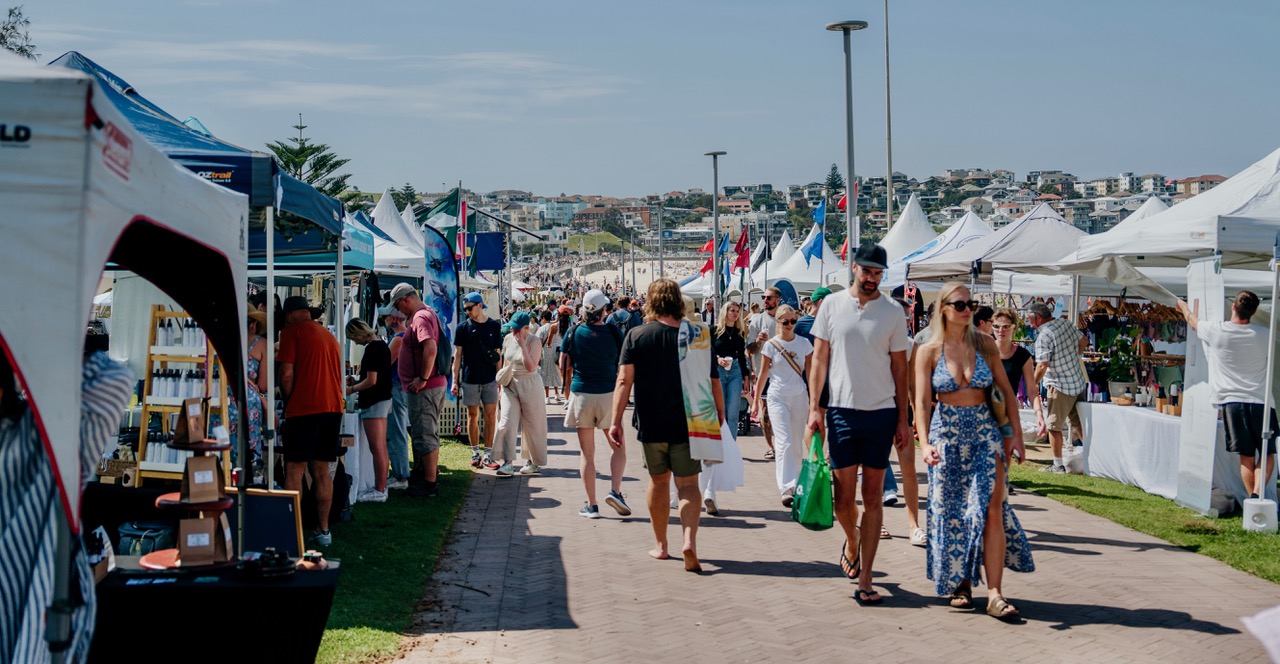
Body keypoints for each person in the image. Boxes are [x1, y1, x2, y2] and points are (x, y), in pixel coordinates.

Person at [914, 282, 1033, 620]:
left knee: (990, 507)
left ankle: (995, 593)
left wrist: (1016, 437)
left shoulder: (984, 345)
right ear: (944, 309)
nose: (967, 310)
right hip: (946, 434)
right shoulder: (928, 350)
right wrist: (925, 443)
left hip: (984, 432)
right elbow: (922, 402)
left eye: (971, 303)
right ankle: (961, 583)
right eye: (960, 304)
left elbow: (1007, 391)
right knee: (953, 514)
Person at [806, 242, 911, 605]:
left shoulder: (894, 312)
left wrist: (903, 418)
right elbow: (819, 359)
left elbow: (901, 368)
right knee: (842, 500)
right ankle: (851, 541)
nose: (872, 279)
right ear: (854, 268)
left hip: (881, 413)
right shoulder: (832, 306)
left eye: (878, 273)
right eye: (867, 271)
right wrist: (814, 410)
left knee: (873, 497)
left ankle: (866, 576)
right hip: (841, 411)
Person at [609, 278, 724, 573]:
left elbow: (624, 380)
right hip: (691, 421)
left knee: (659, 482)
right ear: (678, 302)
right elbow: (714, 381)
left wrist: (615, 420)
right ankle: (690, 542)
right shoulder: (698, 335)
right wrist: (719, 414)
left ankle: (661, 546)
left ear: (651, 302)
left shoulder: (636, 335)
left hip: (651, 421)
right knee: (688, 484)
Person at [1178, 291, 1277, 500]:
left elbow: (1194, 322)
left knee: (1246, 457)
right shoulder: (1264, 334)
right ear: (1254, 311)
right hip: (1261, 401)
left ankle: (1253, 499)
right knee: (1267, 453)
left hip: (1232, 403)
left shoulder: (1218, 331)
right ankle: (1257, 495)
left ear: (1233, 307)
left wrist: (1183, 307)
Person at [278, 295, 345, 545]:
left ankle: (291, 530)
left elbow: (286, 373)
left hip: (304, 408)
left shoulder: (291, 332)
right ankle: (323, 530)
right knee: (322, 471)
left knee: (294, 469)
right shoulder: (328, 335)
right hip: (332, 408)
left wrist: (288, 401)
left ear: (289, 315)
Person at [561, 289, 631, 518]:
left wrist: (565, 388)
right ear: (604, 311)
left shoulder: (574, 331)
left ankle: (592, 505)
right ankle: (615, 491)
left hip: (581, 393)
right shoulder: (613, 332)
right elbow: (623, 362)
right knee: (618, 448)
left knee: (587, 455)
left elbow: (565, 362)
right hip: (607, 393)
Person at [391, 283, 449, 498]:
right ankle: (425, 476)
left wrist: (422, 378)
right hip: (429, 384)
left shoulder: (420, 318)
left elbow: (430, 347)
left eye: (398, 305)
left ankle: (429, 484)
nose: (399, 311)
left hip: (426, 386)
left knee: (424, 434)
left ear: (406, 299)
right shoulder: (426, 314)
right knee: (423, 432)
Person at [752, 304, 813, 506]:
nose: (789, 325)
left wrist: (815, 401)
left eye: (793, 321)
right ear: (777, 322)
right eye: (785, 321)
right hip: (777, 396)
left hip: (799, 395)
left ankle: (796, 483)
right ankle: (786, 487)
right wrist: (755, 401)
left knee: (796, 442)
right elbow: (763, 375)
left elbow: (811, 374)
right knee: (784, 440)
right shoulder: (771, 345)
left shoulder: (804, 344)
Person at [1027, 301, 1087, 473]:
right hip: (1077, 381)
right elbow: (1084, 340)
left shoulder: (1044, 336)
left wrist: (1033, 383)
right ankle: (1092, 459)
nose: (1030, 324)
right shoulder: (1066, 323)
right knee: (1078, 423)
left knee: (1054, 426)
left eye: (1031, 320)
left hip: (1060, 386)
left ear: (1038, 319)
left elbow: (1042, 365)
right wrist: (1076, 356)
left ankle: (1057, 465)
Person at [704, 299, 751, 513]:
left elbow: (742, 356)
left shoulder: (740, 333)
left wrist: (746, 377)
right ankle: (718, 444)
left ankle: (730, 446)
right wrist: (718, 359)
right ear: (725, 312)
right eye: (731, 310)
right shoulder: (714, 331)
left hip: (734, 372)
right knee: (719, 413)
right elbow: (708, 352)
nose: (734, 313)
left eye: (737, 311)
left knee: (733, 412)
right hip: (718, 371)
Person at [494, 312, 549, 476]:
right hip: (510, 384)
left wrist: (523, 345)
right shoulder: (507, 338)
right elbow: (506, 362)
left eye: (517, 329)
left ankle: (533, 461)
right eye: (512, 327)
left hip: (530, 383)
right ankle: (507, 462)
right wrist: (501, 384)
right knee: (506, 421)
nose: (513, 331)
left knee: (532, 424)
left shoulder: (534, 340)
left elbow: (531, 366)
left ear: (527, 327)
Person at [453, 292, 503, 471]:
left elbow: (497, 354)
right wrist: (454, 381)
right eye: (465, 309)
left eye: (469, 308)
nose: (467, 311)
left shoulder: (494, 326)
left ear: (480, 305)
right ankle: (475, 452)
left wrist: (500, 378)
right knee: (472, 415)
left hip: (490, 378)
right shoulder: (462, 328)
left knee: (490, 416)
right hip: (470, 378)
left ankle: (488, 454)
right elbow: (457, 356)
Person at [345, 317, 393, 502]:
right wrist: (357, 382)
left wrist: (351, 389)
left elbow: (372, 380)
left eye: (353, 337)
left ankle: (380, 489)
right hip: (382, 399)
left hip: (374, 401)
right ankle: (381, 486)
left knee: (377, 447)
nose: (354, 342)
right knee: (380, 446)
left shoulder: (373, 348)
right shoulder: (381, 345)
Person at [748, 287, 782, 459]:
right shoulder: (757, 321)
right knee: (766, 414)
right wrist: (757, 341)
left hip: (783, 374)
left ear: (778, 299)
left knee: (783, 413)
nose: (765, 300)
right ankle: (771, 447)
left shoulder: (786, 319)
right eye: (763, 297)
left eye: (769, 297)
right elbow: (750, 349)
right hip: (764, 374)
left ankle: (783, 446)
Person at [382, 305, 411, 489]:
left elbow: (384, 364)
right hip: (399, 387)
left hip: (396, 387)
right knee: (397, 430)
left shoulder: (399, 339)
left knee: (396, 430)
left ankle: (401, 475)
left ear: (394, 319)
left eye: (386, 316)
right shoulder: (402, 336)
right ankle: (400, 473)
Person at [536, 310, 564, 404]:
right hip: (555, 350)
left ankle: (547, 396)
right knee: (554, 372)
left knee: (545, 373)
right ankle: (557, 393)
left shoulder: (541, 329)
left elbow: (539, 343)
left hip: (545, 351)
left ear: (543, 318)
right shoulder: (555, 326)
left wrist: (538, 356)